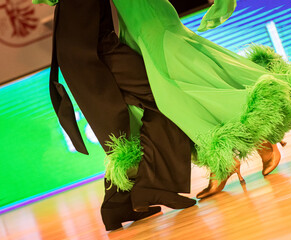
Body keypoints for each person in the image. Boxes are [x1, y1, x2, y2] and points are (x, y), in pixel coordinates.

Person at [107, 0, 291, 199]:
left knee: (174, 94)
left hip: (147, 16)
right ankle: (236, 152)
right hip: (129, 26)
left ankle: (246, 147)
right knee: (191, 84)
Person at [32, 0, 196, 231]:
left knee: (123, 133)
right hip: (95, 52)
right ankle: (152, 188)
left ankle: (118, 205)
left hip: (86, 50)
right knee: (164, 98)